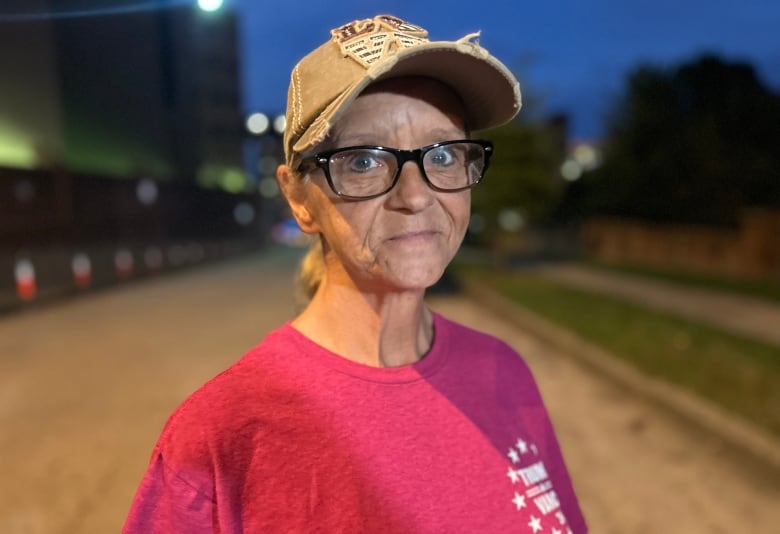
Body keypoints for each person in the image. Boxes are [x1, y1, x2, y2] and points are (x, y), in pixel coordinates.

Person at [123, 14, 586, 533]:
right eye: (364, 161)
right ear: (299, 199)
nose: (416, 196)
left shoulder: (504, 373)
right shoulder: (220, 436)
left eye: (443, 154)